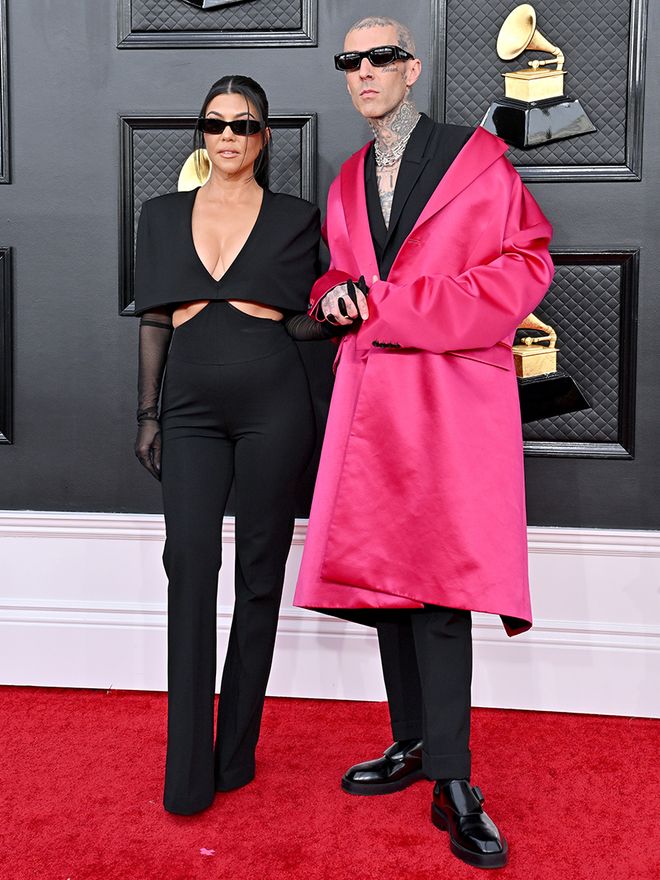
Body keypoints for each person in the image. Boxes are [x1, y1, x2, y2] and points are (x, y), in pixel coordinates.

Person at [294, 16, 554, 869]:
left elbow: (525, 268)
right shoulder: (346, 178)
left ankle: (453, 780)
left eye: (379, 59)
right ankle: (411, 745)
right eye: (349, 62)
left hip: (445, 399)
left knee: (439, 590)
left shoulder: (478, 160)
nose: (363, 72)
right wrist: (336, 296)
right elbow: (340, 271)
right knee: (385, 586)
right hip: (371, 405)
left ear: (410, 69)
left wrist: (400, 305)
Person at [133, 75, 342, 815]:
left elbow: (301, 321)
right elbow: (155, 320)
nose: (228, 136)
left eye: (244, 125)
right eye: (216, 123)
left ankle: (236, 752)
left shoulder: (297, 216)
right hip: (187, 407)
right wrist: (148, 415)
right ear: (202, 132)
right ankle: (186, 770)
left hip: (274, 404)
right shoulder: (159, 216)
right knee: (189, 564)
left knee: (259, 570)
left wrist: (341, 316)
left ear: (264, 138)